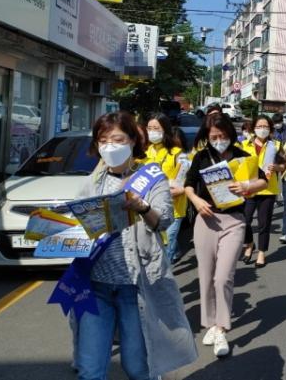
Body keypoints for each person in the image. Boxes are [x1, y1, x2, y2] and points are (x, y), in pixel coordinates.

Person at [74, 111, 197, 380]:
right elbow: (79, 225)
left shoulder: (151, 176)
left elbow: (163, 220)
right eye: (103, 140)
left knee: (137, 367)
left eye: (117, 139)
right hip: (96, 285)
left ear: (132, 140)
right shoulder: (93, 180)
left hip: (135, 286)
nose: (110, 146)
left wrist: (142, 207)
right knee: (90, 370)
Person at [184, 113, 267, 357]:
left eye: (222, 136)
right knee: (206, 276)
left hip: (234, 221)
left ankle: (221, 329)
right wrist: (196, 200)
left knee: (223, 277)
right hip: (206, 220)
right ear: (207, 137)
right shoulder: (201, 157)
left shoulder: (243, 157)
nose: (218, 141)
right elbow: (188, 185)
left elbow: (263, 181)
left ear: (230, 134)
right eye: (213, 137)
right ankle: (210, 323)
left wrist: (247, 186)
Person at [145, 112, 189, 264]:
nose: (152, 132)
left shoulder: (178, 154)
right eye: (149, 128)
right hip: (150, 209)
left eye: (156, 128)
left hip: (173, 210)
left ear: (165, 130)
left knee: (165, 248)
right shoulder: (145, 152)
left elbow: (184, 185)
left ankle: (165, 275)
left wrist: (164, 193)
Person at [241, 115, 282, 268]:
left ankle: (261, 253)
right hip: (249, 188)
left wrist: (277, 167)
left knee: (264, 223)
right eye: (259, 126)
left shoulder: (276, 145)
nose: (262, 129)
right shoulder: (244, 145)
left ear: (270, 129)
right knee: (244, 221)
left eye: (265, 127)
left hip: (267, 190)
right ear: (253, 128)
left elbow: (284, 164)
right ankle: (249, 243)